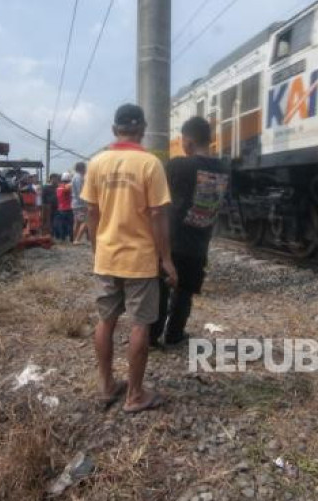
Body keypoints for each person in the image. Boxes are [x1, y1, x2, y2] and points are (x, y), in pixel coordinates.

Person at [81, 103, 176, 413]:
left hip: (107, 257)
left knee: (105, 321)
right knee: (139, 325)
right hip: (140, 259)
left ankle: (107, 385)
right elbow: (158, 215)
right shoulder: (150, 165)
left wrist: (98, 249)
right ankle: (135, 395)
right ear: (143, 130)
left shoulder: (96, 164)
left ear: (114, 130)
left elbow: (91, 213)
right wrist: (166, 259)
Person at [151, 116, 229, 347]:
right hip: (199, 243)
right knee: (185, 293)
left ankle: (152, 336)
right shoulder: (224, 168)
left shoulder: (178, 165)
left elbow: (162, 200)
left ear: (188, 140)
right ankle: (175, 334)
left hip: (172, 240)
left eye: (182, 140)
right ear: (210, 139)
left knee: (162, 289)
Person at [71, 162, 89, 245]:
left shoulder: (75, 177)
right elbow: (80, 191)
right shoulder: (79, 177)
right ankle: (77, 239)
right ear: (81, 168)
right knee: (86, 221)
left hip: (76, 203)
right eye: (85, 167)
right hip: (81, 203)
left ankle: (74, 239)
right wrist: (86, 201)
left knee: (77, 222)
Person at [55, 172, 74, 242]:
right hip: (68, 208)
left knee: (62, 224)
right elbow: (70, 188)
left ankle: (62, 238)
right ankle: (71, 238)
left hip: (60, 208)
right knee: (70, 224)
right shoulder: (67, 187)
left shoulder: (58, 188)